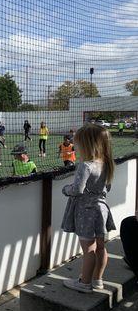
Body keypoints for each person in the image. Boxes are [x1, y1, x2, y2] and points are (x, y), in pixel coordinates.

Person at [61, 124, 116, 293]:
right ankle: (97, 280)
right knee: (100, 247)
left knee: (88, 249)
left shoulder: (86, 166)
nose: (75, 146)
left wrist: (66, 189)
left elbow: (77, 190)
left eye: (78, 143)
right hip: (102, 209)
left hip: (86, 211)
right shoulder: (107, 164)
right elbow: (108, 188)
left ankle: (84, 283)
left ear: (87, 145)